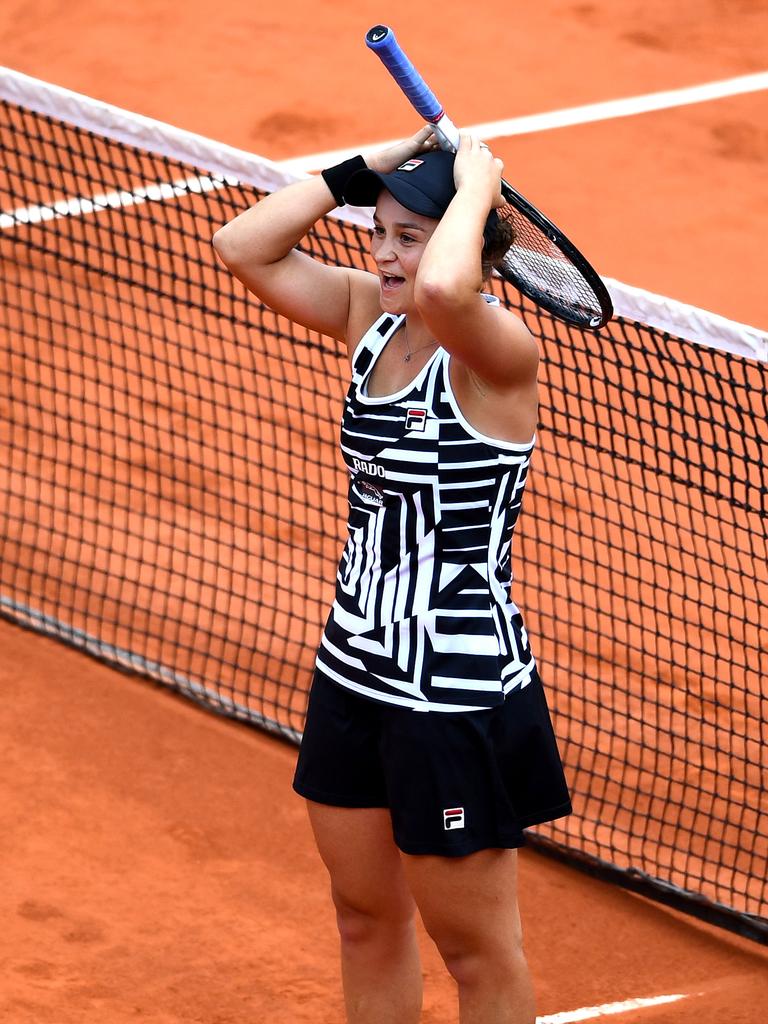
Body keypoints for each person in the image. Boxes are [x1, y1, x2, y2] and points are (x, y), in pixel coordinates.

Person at [212, 126, 571, 1024]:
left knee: (475, 952)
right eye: (379, 231)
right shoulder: (368, 318)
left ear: (461, 238)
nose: (383, 252)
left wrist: (478, 189)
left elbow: (452, 289)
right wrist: (363, 171)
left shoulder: (498, 357)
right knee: (363, 920)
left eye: (408, 236)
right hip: (353, 672)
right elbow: (241, 245)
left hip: (455, 694)